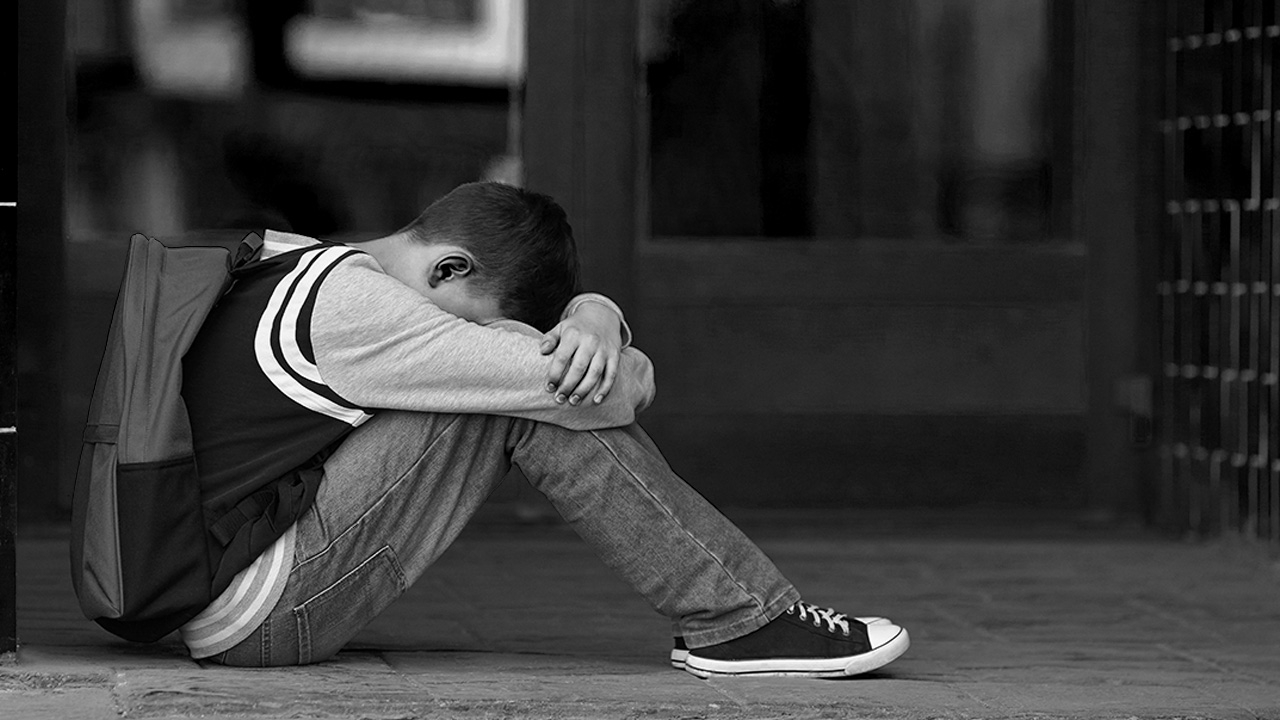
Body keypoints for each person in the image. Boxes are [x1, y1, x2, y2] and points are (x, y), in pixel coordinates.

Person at [178, 181, 910, 677]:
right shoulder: (364, 309)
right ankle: (739, 617)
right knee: (517, 399)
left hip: (232, 591)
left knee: (520, 387)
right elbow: (598, 390)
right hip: (263, 610)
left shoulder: (298, 259)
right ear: (449, 269)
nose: (464, 342)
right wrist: (600, 322)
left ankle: (740, 617)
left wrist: (591, 315)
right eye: (475, 326)